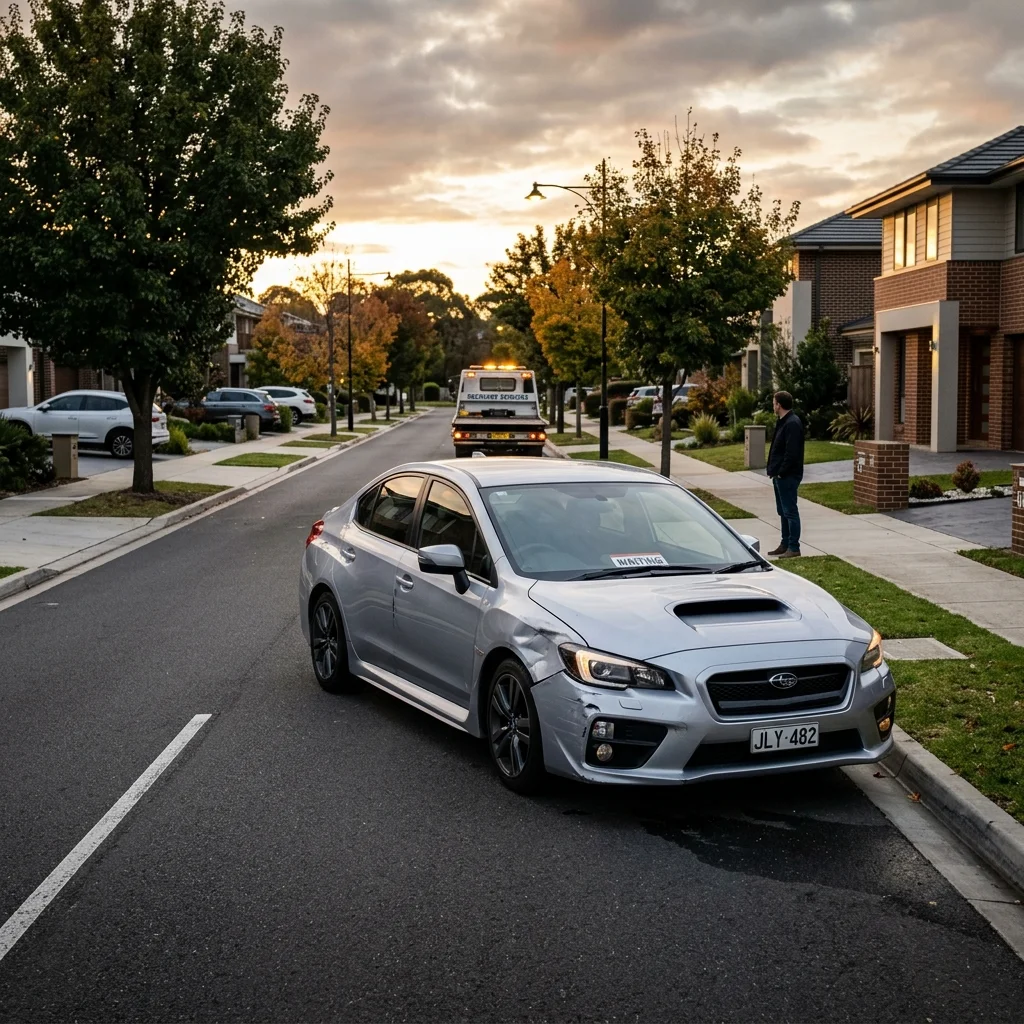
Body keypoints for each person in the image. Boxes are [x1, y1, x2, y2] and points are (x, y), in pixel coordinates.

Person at [766, 390, 804, 558]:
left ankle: (794, 547)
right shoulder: (783, 421)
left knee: (790, 511)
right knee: (782, 511)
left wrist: (781, 472)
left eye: (774, 403)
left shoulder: (792, 423)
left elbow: (792, 453)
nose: (773, 406)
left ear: (779, 405)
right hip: (779, 475)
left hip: (787, 476)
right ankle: (785, 543)